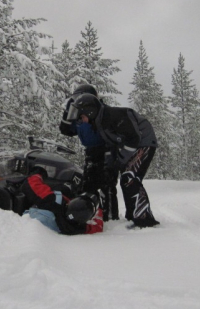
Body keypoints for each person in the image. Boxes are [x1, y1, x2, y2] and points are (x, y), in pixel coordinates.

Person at [69, 93, 160, 228]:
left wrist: (120, 161)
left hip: (144, 142)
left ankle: (144, 220)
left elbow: (133, 138)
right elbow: (112, 145)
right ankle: (133, 216)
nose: (82, 121)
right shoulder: (100, 122)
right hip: (134, 145)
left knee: (129, 178)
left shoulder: (112, 116)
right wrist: (110, 166)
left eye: (82, 116)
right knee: (127, 179)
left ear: (90, 111)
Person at [59, 84, 120, 221]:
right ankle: (92, 214)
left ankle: (110, 218)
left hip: (106, 150)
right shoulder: (80, 115)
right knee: (87, 186)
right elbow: (66, 130)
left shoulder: (101, 111)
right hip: (91, 152)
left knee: (107, 185)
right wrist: (68, 111)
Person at [19, 170, 104, 235]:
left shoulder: (52, 201)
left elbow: (31, 184)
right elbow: (97, 227)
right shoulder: (72, 227)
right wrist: (99, 209)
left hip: (28, 210)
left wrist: (38, 174)